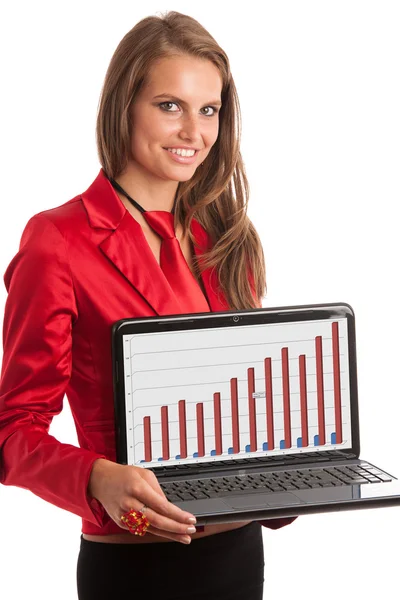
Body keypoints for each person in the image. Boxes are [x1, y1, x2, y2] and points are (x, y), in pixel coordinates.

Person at [0, 11, 296, 600]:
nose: (194, 132)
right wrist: (96, 478)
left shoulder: (228, 238)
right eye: (170, 105)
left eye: (208, 110)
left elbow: (241, 400)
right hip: (136, 565)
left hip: (239, 553)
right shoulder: (57, 240)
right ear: (124, 106)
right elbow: (13, 431)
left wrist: (287, 468)